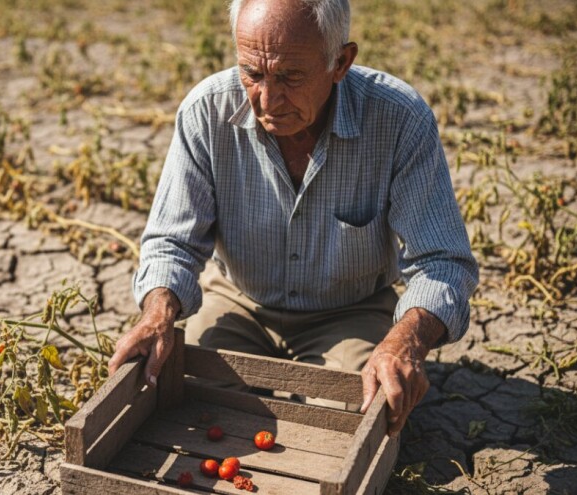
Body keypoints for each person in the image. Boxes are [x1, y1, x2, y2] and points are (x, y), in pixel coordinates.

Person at [108, 0, 478, 437]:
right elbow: (172, 242)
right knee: (182, 400)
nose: (267, 98)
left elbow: (443, 261)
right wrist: (158, 314)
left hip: (349, 312)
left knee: (356, 416)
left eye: (290, 77)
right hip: (241, 300)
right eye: (253, 73)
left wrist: (406, 341)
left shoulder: (398, 119)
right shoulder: (206, 112)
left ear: (340, 62)